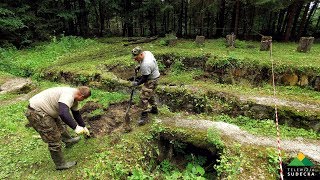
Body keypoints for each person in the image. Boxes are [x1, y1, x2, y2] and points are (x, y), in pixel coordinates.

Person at [25, 86, 91, 170]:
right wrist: (75, 127)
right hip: (37, 112)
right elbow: (63, 113)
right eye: (83, 99)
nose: (83, 101)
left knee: (60, 126)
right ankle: (60, 164)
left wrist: (83, 126)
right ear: (81, 96)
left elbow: (76, 114)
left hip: (47, 109)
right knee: (53, 137)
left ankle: (68, 141)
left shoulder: (74, 98)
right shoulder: (68, 95)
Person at [130, 46, 160, 126]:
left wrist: (137, 83)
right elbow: (144, 66)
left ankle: (144, 115)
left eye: (136, 58)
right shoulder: (147, 52)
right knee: (149, 94)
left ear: (141, 54)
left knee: (143, 97)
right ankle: (154, 109)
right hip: (155, 76)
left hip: (151, 80)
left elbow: (144, 78)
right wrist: (139, 66)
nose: (135, 59)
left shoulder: (146, 65)